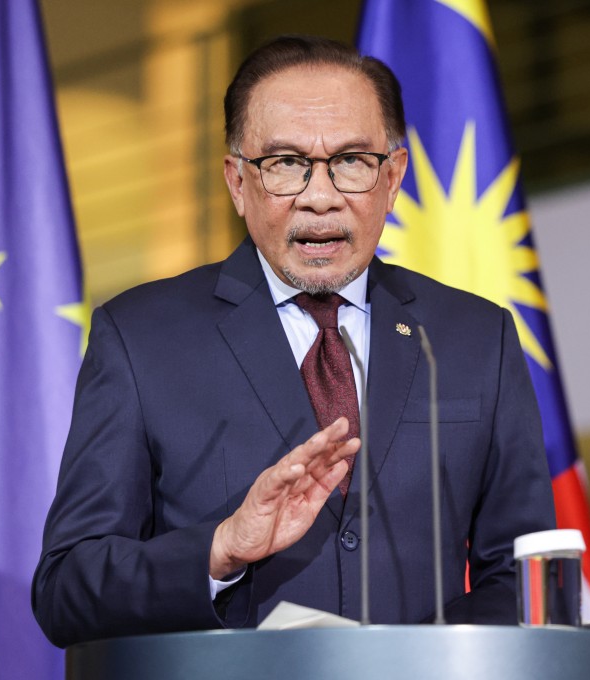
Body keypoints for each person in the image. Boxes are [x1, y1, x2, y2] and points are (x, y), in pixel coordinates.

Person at [32, 35, 555, 649]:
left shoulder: (473, 337)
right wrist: (220, 549)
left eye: (352, 161)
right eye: (285, 163)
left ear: (393, 176)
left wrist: (416, 661)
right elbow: (67, 589)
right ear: (236, 181)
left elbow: (526, 576)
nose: (320, 195)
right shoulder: (142, 338)